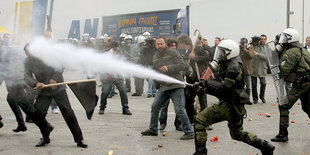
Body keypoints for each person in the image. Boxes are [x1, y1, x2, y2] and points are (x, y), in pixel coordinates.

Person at [193, 40, 275, 155]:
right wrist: (206, 83)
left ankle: (200, 152)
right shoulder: (231, 63)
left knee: (199, 120)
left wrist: (206, 84)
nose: (220, 55)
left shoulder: (233, 67)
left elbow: (224, 88)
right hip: (235, 105)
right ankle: (265, 146)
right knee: (237, 134)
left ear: (229, 53)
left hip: (228, 104)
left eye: (222, 52)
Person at [24, 44, 88, 148]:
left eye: (29, 53)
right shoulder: (28, 61)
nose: (28, 56)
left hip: (58, 89)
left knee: (69, 113)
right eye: (26, 54)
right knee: (38, 115)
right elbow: (26, 75)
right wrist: (35, 83)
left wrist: (54, 78)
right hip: (44, 90)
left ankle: (79, 139)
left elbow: (59, 66)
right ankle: (45, 137)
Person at [141, 37, 194, 140]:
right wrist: (156, 84)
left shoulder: (173, 53)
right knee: (155, 106)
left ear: (165, 44)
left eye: (161, 44)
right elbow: (156, 71)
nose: (159, 46)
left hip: (175, 86)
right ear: (155, 45)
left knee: (179, 110)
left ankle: (189, 132)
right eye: (158, 44)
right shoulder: (155, 56)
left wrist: (168, 68)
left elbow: (182, 65)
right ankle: (153, 129)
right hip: (164, 87)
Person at [2, 44, 53, 147]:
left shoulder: (4, 55)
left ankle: (46, 126)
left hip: (15, 85)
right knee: (10, 99)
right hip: (15, 84)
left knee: (29, 110)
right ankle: (21, 124)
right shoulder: (6, 52)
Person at [271, 28, 310, 142]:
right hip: (307, 83)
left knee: (283, 105)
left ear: (290, 39)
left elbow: (284, 71)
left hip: (300, 84)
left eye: (284, 38)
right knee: (307, 107)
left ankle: (283, 134)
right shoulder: (304, 50)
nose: (282, 41)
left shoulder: (290, 53)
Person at [98, 41, 132, 115]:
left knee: (123, 91)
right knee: (105, 92)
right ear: (111, 47)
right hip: (107, 77)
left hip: (118, 77)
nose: (117, 49)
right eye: (115, 47)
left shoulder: (120, 54)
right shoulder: (105, 55)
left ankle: (125, 108)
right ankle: (102, 107)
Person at [158, 38, 182, 131]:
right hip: (165, 86)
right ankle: (162, 123)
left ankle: (178, 124)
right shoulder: (163, 56)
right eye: (172, 45)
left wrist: (189, 71)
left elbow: (184, 66)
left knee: (179, 107)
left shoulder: (179, 55)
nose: (173, 47)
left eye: (175, 46)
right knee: (163, 106)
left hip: (176, 86)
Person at [251, 35, 268, 104]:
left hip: (262, 69)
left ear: (266, 40)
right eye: (261, 39)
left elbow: (267, 58)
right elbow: (250, 53)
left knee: (263, 83)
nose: (262, 40)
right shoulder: (255, 47)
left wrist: (258, 54)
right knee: (253, 85)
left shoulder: (267, 48)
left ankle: (262, 96)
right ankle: (255, 99)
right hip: (254, 68)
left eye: (264, 39)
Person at [239, 37, 254, 105]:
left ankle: (247, 99)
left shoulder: (249, 49)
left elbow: (251, 56)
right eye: (242, 42)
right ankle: (241, 99)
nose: (243, 44)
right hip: (240, 70)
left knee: (248, 86)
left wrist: (246, 50)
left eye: (244, 42)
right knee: (241, 86)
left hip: (247, 70)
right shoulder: (238, 49)